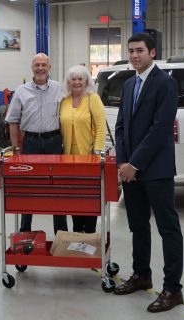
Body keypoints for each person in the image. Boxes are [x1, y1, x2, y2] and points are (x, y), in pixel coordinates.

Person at [112, 33, 184, 313]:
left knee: (168, 229)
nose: (134, 56)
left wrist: (135, 164)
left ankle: (172, 289)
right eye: (130, 51)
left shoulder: (165, 83)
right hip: (130, 170)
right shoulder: (129, 84)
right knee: (138, 226)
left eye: (139, 51)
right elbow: (120, 127)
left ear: (152, 53)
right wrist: (122, 162)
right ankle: (142, 275)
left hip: (156, 170)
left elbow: (159, 128)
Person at [5, 53, 68, 234]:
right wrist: (16, 148)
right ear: (32, 67)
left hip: (54, 141)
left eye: (44, 65)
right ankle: (25, 231)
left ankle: (61, 233)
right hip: (30, 142)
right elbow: (13, 121)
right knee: (28, 186)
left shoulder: (60, 89)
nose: (40, 68)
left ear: (49, 67)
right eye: (37, 65)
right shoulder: (21, 91)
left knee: (57, 185)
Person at [59, 64, 106, 233]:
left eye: (80, 79)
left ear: (86, 80)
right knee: (73, 195)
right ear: (68, 81)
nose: (77, 82)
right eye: (73, 79)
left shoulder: (92, 98)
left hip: (89, 155)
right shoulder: (64, 99)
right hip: (68, 157)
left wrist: (98, 152)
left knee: (89, 195)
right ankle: (77, 231)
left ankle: (91, 232)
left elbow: (101, 127)